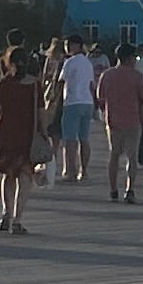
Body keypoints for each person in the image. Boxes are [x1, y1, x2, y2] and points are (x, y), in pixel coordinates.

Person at [0, 44, 46, 234]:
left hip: (6, 135)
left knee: (8, 175)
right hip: (27, 135)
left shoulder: (4, 84)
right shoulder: (35, 85)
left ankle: (5, 213)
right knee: (25, 176)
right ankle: (17, 219)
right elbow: (41, 113)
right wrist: (44, 133)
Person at [96, 45, 143, 201]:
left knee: (114, 155)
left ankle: (113, 190)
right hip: (133, 120)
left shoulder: (106, 75)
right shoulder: (136, 76)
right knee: (132, 156)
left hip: (113, 120)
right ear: (129, 59)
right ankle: (130, 190)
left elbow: (100, 98)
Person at [57, 39, 100, 183]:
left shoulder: (70, 62)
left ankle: (71, 171)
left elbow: (61, 81)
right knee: (84, 139)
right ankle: (84, 171)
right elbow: (91, 84)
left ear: (77, 46)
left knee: (70, 139)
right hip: (87, 101)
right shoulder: (87, 63)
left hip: (72, 102)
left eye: (69, 44)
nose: (67, 47)